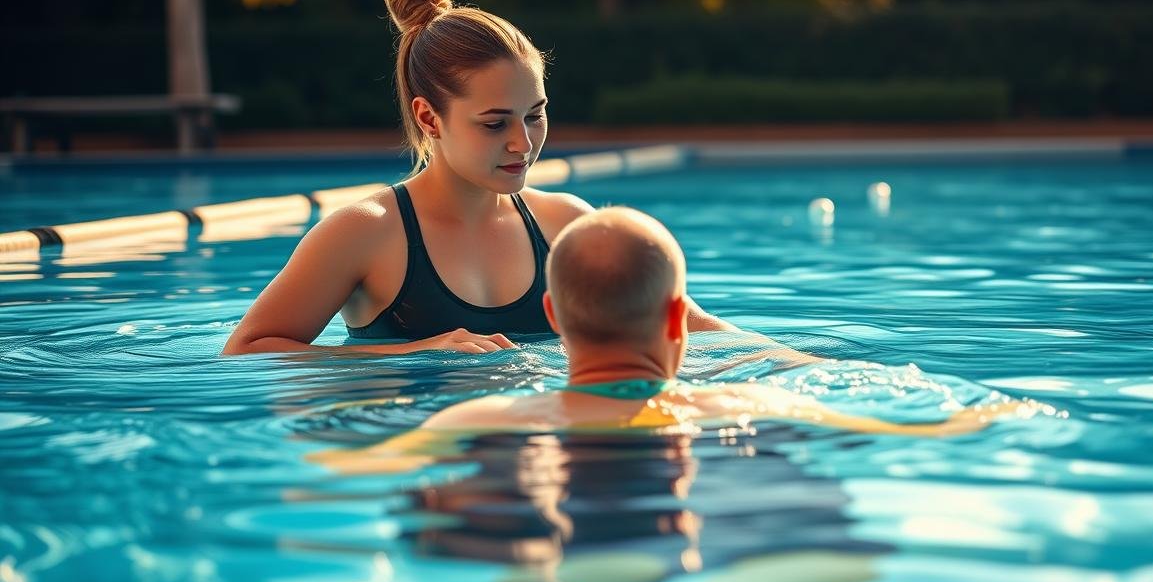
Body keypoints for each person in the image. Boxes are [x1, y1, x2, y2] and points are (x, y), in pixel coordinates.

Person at [223, 0, 733, 356]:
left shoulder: (566, 226)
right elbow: (244, 352)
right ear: (429, 117)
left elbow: (693, 329)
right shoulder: (366, 233)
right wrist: (416, 354)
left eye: (536, 116)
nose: (523, 143)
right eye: (494, 124)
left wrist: (795, 366)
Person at [312, 207, 1027, 474]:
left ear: (554, 318)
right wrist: (994, 410)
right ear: (679, 320)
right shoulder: (738, 403)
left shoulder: (482, 419)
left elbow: (350, 468)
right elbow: (912, 423)